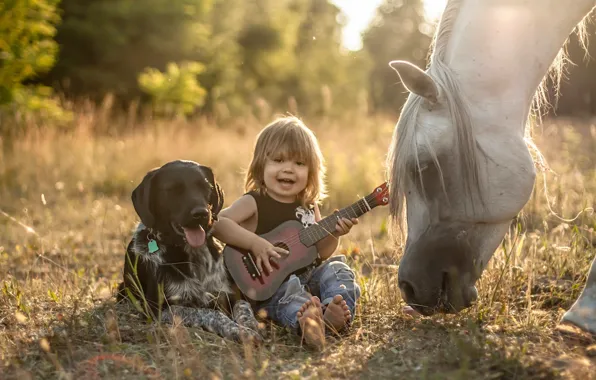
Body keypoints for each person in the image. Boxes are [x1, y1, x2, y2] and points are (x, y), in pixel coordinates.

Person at [213, 116, 361, 349]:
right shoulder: (255, 201)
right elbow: (219, 223)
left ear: (311, 172)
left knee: (339, 269)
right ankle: (307, 324)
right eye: (279, 160)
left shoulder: (309, 205)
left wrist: (335, 234)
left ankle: (333, 313)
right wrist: (254, 243)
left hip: (309, 277)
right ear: (261, 165)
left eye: (299, 163)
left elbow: (320, 253)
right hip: (270, 287)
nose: (288, 169)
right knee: (290, 295)